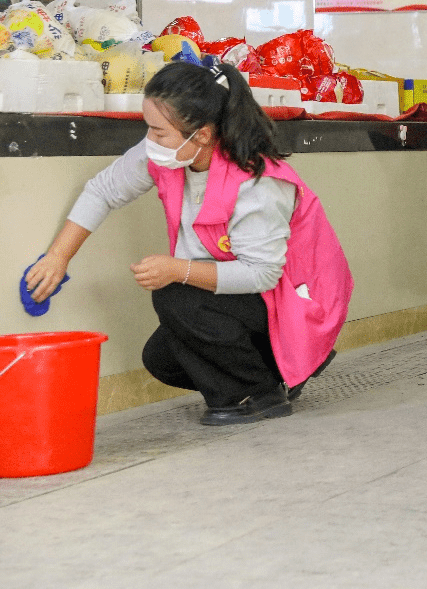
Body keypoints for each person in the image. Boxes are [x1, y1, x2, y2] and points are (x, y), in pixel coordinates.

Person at [23, 60, 352, 426]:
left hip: (295, 303)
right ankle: (282, 370)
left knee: (174, 295)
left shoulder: (257, 184)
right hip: (251, 302)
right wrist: (58, 257)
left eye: (159, 133)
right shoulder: (170, 155)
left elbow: (262, 275)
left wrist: (177, 269)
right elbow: (104, 191)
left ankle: (258, 394)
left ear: (203, 135)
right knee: (162, 359)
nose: (151, 142)